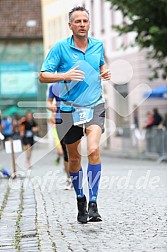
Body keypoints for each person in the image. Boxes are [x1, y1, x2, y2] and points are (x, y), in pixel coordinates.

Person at [39, 6, 111, 224]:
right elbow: (43, 76)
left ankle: (94, 204)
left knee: (93, 149)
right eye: (77, 21)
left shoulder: (98, 45)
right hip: (68, 110)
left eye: (85, 21)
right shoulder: (60, 48)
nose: (82, 24)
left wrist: (104, 72)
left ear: (89, 24)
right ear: (70, 25)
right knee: (74, 158)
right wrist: (64, 75)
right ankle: (81, 198)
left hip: (94, 106)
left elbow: (101, 65)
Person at [47, 83, 73, 190]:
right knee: (65, 151)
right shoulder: (53, 87)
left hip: (73, 120)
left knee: (74, 151)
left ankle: (75, 178)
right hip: (59, 120)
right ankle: (69, 179)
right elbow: (48, 102)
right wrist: (51, 107)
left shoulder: (74, 83)